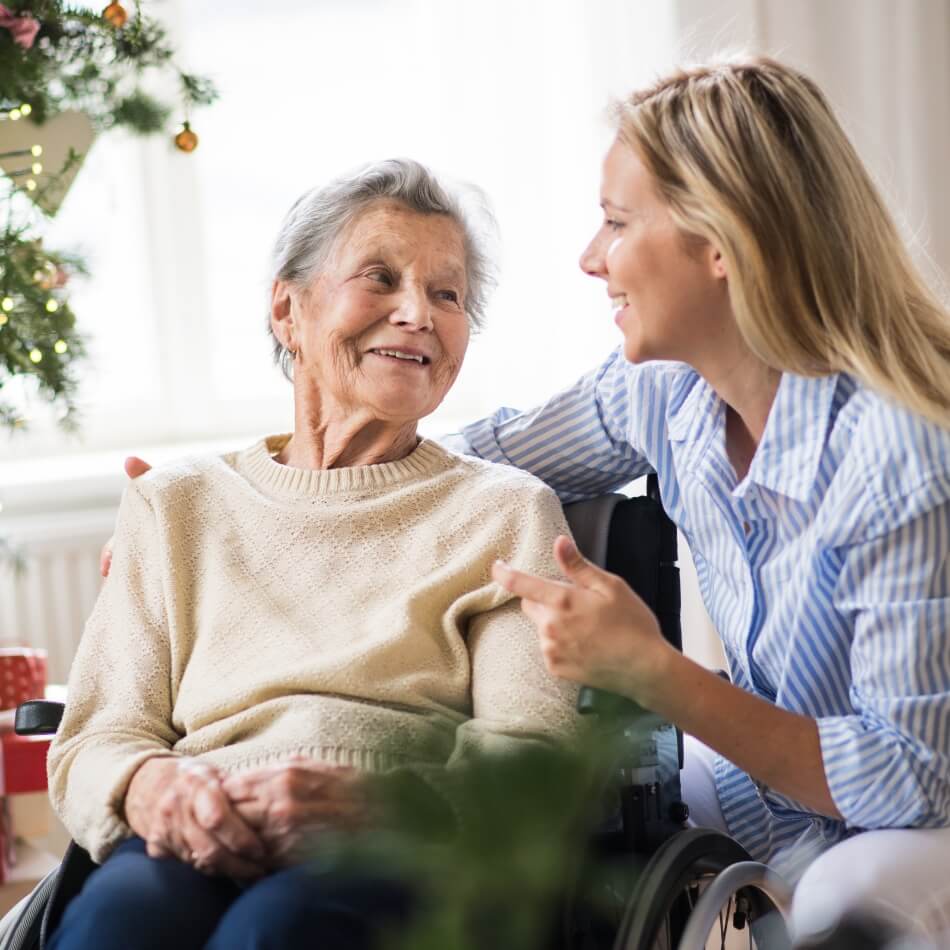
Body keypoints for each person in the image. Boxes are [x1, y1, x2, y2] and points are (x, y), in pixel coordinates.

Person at [47, 159, 579, 950]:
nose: (417, 313)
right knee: (119, 926)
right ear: (288, 311)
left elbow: (531, 758)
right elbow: (96, 738)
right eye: (380, 277)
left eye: (448, 294)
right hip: (195, 831)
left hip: (403, 850)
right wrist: (153, 787)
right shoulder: (175, 502)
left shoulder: (505, 512)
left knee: (277, 932)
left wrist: (381, 806)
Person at [479, 56, 950, 943]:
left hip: (921, 821)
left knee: (851, 894)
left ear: (721, 245)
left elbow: (907, 779)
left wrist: (654, 672)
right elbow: (478, 458)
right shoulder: (669, 395)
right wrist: (224, 495)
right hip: (792, 801)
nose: (590, 259)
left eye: (616, 223)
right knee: (559, 829)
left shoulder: (903, 445)